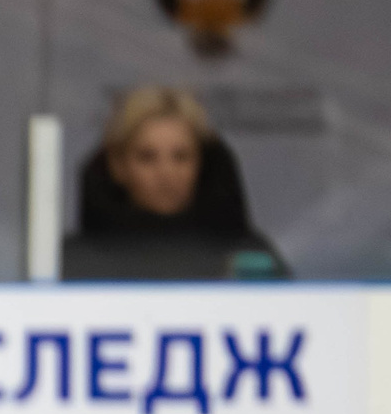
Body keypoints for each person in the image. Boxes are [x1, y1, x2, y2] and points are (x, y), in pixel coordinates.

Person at [62, 86, 287, 281]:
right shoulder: (74, 262)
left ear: (202, 163)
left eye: (181, 157)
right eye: (147, 157)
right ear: (118, 166)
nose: (166, 173)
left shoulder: (250, 260)